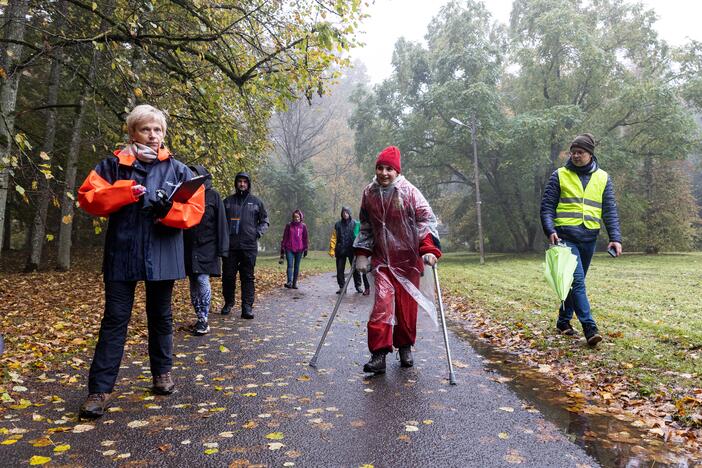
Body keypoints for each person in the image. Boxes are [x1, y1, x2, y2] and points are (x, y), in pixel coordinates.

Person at [77, 104, 205, 418]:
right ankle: (99, 391)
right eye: (145, 129)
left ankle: (162, 375)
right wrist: (124, 192)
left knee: (161, 315)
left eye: (157, 130)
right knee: (115, 320)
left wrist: (166, 211)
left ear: (164, 134)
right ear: (133, 132)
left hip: (163, 253)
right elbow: (87, 199)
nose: (152, 135)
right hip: (122, 252)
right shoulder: (112, 166)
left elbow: (195, 211)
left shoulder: (179, 169)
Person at [354, 146, 442, 374]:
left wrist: (429, 249)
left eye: (389, 169)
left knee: (406, 308)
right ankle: (379, 354)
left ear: (397, 171)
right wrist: (362, 253)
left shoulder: (409, 192)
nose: (383, 173)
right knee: (381, 305)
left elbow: (426, 221)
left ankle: (404, 347)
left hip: (408, 260)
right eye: (380, 168)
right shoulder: (369, 193)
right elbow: (365, 225)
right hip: (383, 260)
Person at [540, 133, 622, 347]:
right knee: (577, 281)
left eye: (580, 152)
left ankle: (563, 321)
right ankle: (590, 327)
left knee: (571, 283)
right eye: (573, 152)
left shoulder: (603, 177)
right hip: (565, 237)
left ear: (590, 154)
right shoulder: (559, 175)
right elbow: (547, 206)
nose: (576, 156)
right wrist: (550, 229)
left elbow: (610, 210)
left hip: (589, 238)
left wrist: (615, 238)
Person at [183, 165, 229, 335]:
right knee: (193, 281)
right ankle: (199, 317)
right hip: (189, 246)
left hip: (207, 246)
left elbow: (222, 223)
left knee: (202, 279)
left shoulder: (213, 196)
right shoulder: (184, 195)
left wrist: (223, 250)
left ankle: (204, 319)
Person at [221, 172, 269, 319]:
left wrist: (257, 233)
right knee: (228, 276)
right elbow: (220, 222)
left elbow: (265, 221)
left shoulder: (256, 202)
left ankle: (247, 307)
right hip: (231, 246)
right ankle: (229, 302)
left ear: (248, 184)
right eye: (239, 181)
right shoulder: (228, 201)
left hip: (249, 246)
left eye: (244, 182)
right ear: (236, 183)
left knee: (247, 277)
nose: (242, 184)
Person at [328, 206, 365, 294]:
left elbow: (359, 236)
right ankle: (342, 287)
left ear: (349, 213)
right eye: (343, 212)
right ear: (341, 214)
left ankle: (358, 286)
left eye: (346, 212)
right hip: (340, 250)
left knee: (355, 269)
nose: (345, 214)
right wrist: (332, 249)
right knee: (340, 270)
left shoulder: (355, 224)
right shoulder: (337, 225)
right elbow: (334, 237)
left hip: (352, 250)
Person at [280, 209, 309, 289]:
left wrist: (306, 248)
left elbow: (305, 238)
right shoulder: (289, 226)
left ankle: (294, 283)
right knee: (290, 265)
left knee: (296, 266)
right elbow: (285, 237)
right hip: (289, 248)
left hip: (299, 249)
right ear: (292, 217)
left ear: (300, 217)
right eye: (295, 217)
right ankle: (289, 282)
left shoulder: (303, 226)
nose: (296, 218)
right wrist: (282, 247)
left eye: (298, 217)